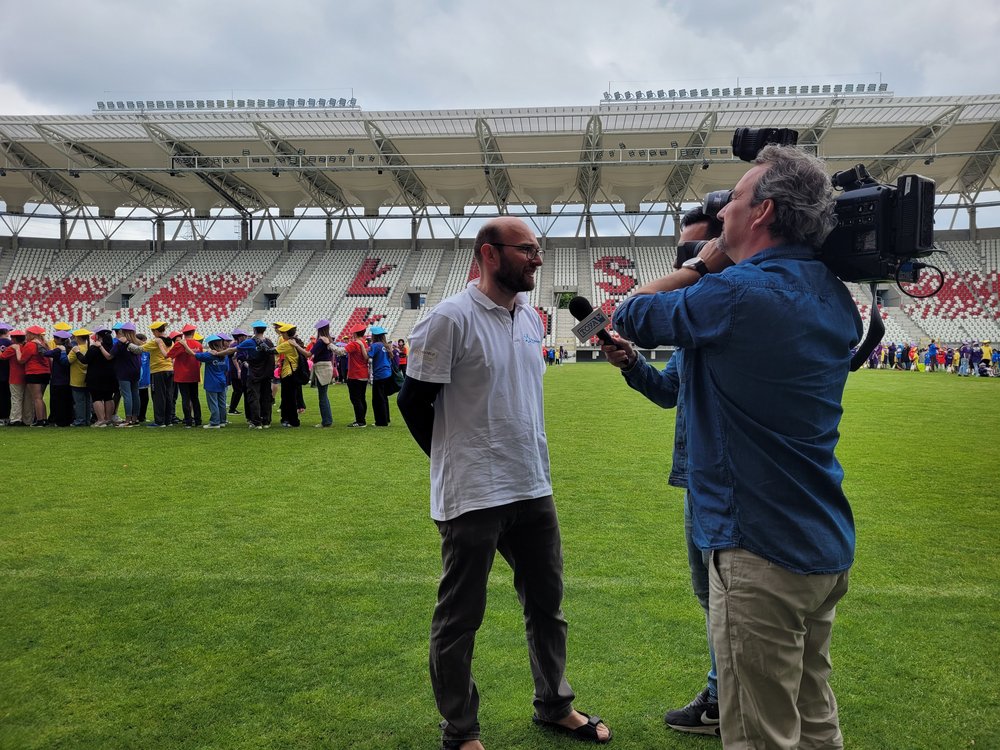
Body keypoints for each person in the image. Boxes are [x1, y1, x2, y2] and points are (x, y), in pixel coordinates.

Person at [613, 145, 861, 749]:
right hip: (818, 533)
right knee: (812, 711)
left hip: (757, 544)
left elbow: (632, 311)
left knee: (758, 730)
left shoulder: (737, 293)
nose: (723, 213)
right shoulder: (832, 292)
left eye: (736, 199)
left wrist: (704, 263)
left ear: (764, 212)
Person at [398, 216, 612, 750]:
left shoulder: (533, 318)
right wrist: (456, 459)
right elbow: (411, 402)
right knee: (460, 618)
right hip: (473, 495)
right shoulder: (449, 319)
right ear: (490, 255)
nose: (538, 259)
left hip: (532, 486)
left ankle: (554, 705)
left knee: (548, 606)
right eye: (527, 250)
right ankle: (460, 730)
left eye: (539, 250)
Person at [602, 205, 728, 736]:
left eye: (697, 252)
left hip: (731, 484)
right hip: (700, 482)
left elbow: (635, 307)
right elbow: (669, 391)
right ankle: (722, 694)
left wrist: (695, 273)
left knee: (730, 601)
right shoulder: (695, 327)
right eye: (683, 255)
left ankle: (732, 699)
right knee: (710, 599)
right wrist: (632, 362)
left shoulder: (731, 308)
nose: (688, 262)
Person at [188, 335, 236, 428]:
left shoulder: (209, 355)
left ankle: (214, 422)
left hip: (211, 382)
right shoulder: (224, 355)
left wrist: (185, 345)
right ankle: (222, 421)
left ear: (210, 345)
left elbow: (194, 355)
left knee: (213, 402)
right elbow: (227, 369)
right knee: (222, 402)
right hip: (222, 380)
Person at [238, 320, 276, 429]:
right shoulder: (269, 342)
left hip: (254, 374)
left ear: (254, 330)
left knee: (253, 397)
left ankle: (256, 421)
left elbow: (236, 349)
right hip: (266, 374)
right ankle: (266, 421)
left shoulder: (250, 342)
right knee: (266, 397)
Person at [81, 326, 118, 427]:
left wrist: (77, 353)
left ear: (98, 336)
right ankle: (109, 419)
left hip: (96, 376)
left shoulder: (94, 348)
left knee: (97, 398)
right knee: (108, 397)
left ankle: (101, 420)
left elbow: (85, 360)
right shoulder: (113, 347)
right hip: (111, 375)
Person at [275, 323, 310, 428]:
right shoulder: (296, 341)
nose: (281, 334)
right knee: (291, 397)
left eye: (282, 332)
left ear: (286, 333)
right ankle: (291, 419)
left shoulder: (287, 343)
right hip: (294, 372)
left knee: (288, 398)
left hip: (288, 372)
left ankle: (291, 420)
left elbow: (273, 351)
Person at [310, 320, 342, 428]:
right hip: (326, 368)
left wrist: (296, 346)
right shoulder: (328, 340)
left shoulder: (321, 341)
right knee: (324, 395)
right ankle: (327, 419)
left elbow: (309, 353)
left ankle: (326, 420)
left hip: (321, 369)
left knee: (322, 396)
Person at [169, 324, 203, 427]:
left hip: (181, 375)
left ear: (183, 334)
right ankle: (198, 420)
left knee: (185, 398)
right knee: (195, 398)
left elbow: (169, 355)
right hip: (194, 374)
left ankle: (188, 421)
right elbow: (200, 360)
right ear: (193, 333)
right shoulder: (198, 345)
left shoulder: (179, 344)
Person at [142, 321, 174, 428]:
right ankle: (168, 420)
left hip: (158, 371)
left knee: (158, 396)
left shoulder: (155, 341)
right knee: (168, 395)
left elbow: (141, 349)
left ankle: (159, 421)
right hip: (169, 369)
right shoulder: (170, 341)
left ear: (156, 331)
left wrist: (129, 343)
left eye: (152, 331)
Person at [344, 323, 370, 427]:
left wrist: (329, 345)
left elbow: (341, 351)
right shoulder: (364, 343)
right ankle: (362, 419)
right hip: (363, 373)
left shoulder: (354, 344)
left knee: (355, 398)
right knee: (361, 398)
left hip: (354, 374)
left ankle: (360, 421)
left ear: (355, 333)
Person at [368, 325, 394, 427]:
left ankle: (381, 422)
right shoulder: (386, 345)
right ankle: (386, 418)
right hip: (387, 373)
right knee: (384, 397)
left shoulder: (375, 346)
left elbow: (369, 357)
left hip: (379, 374)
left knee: (377, 399)